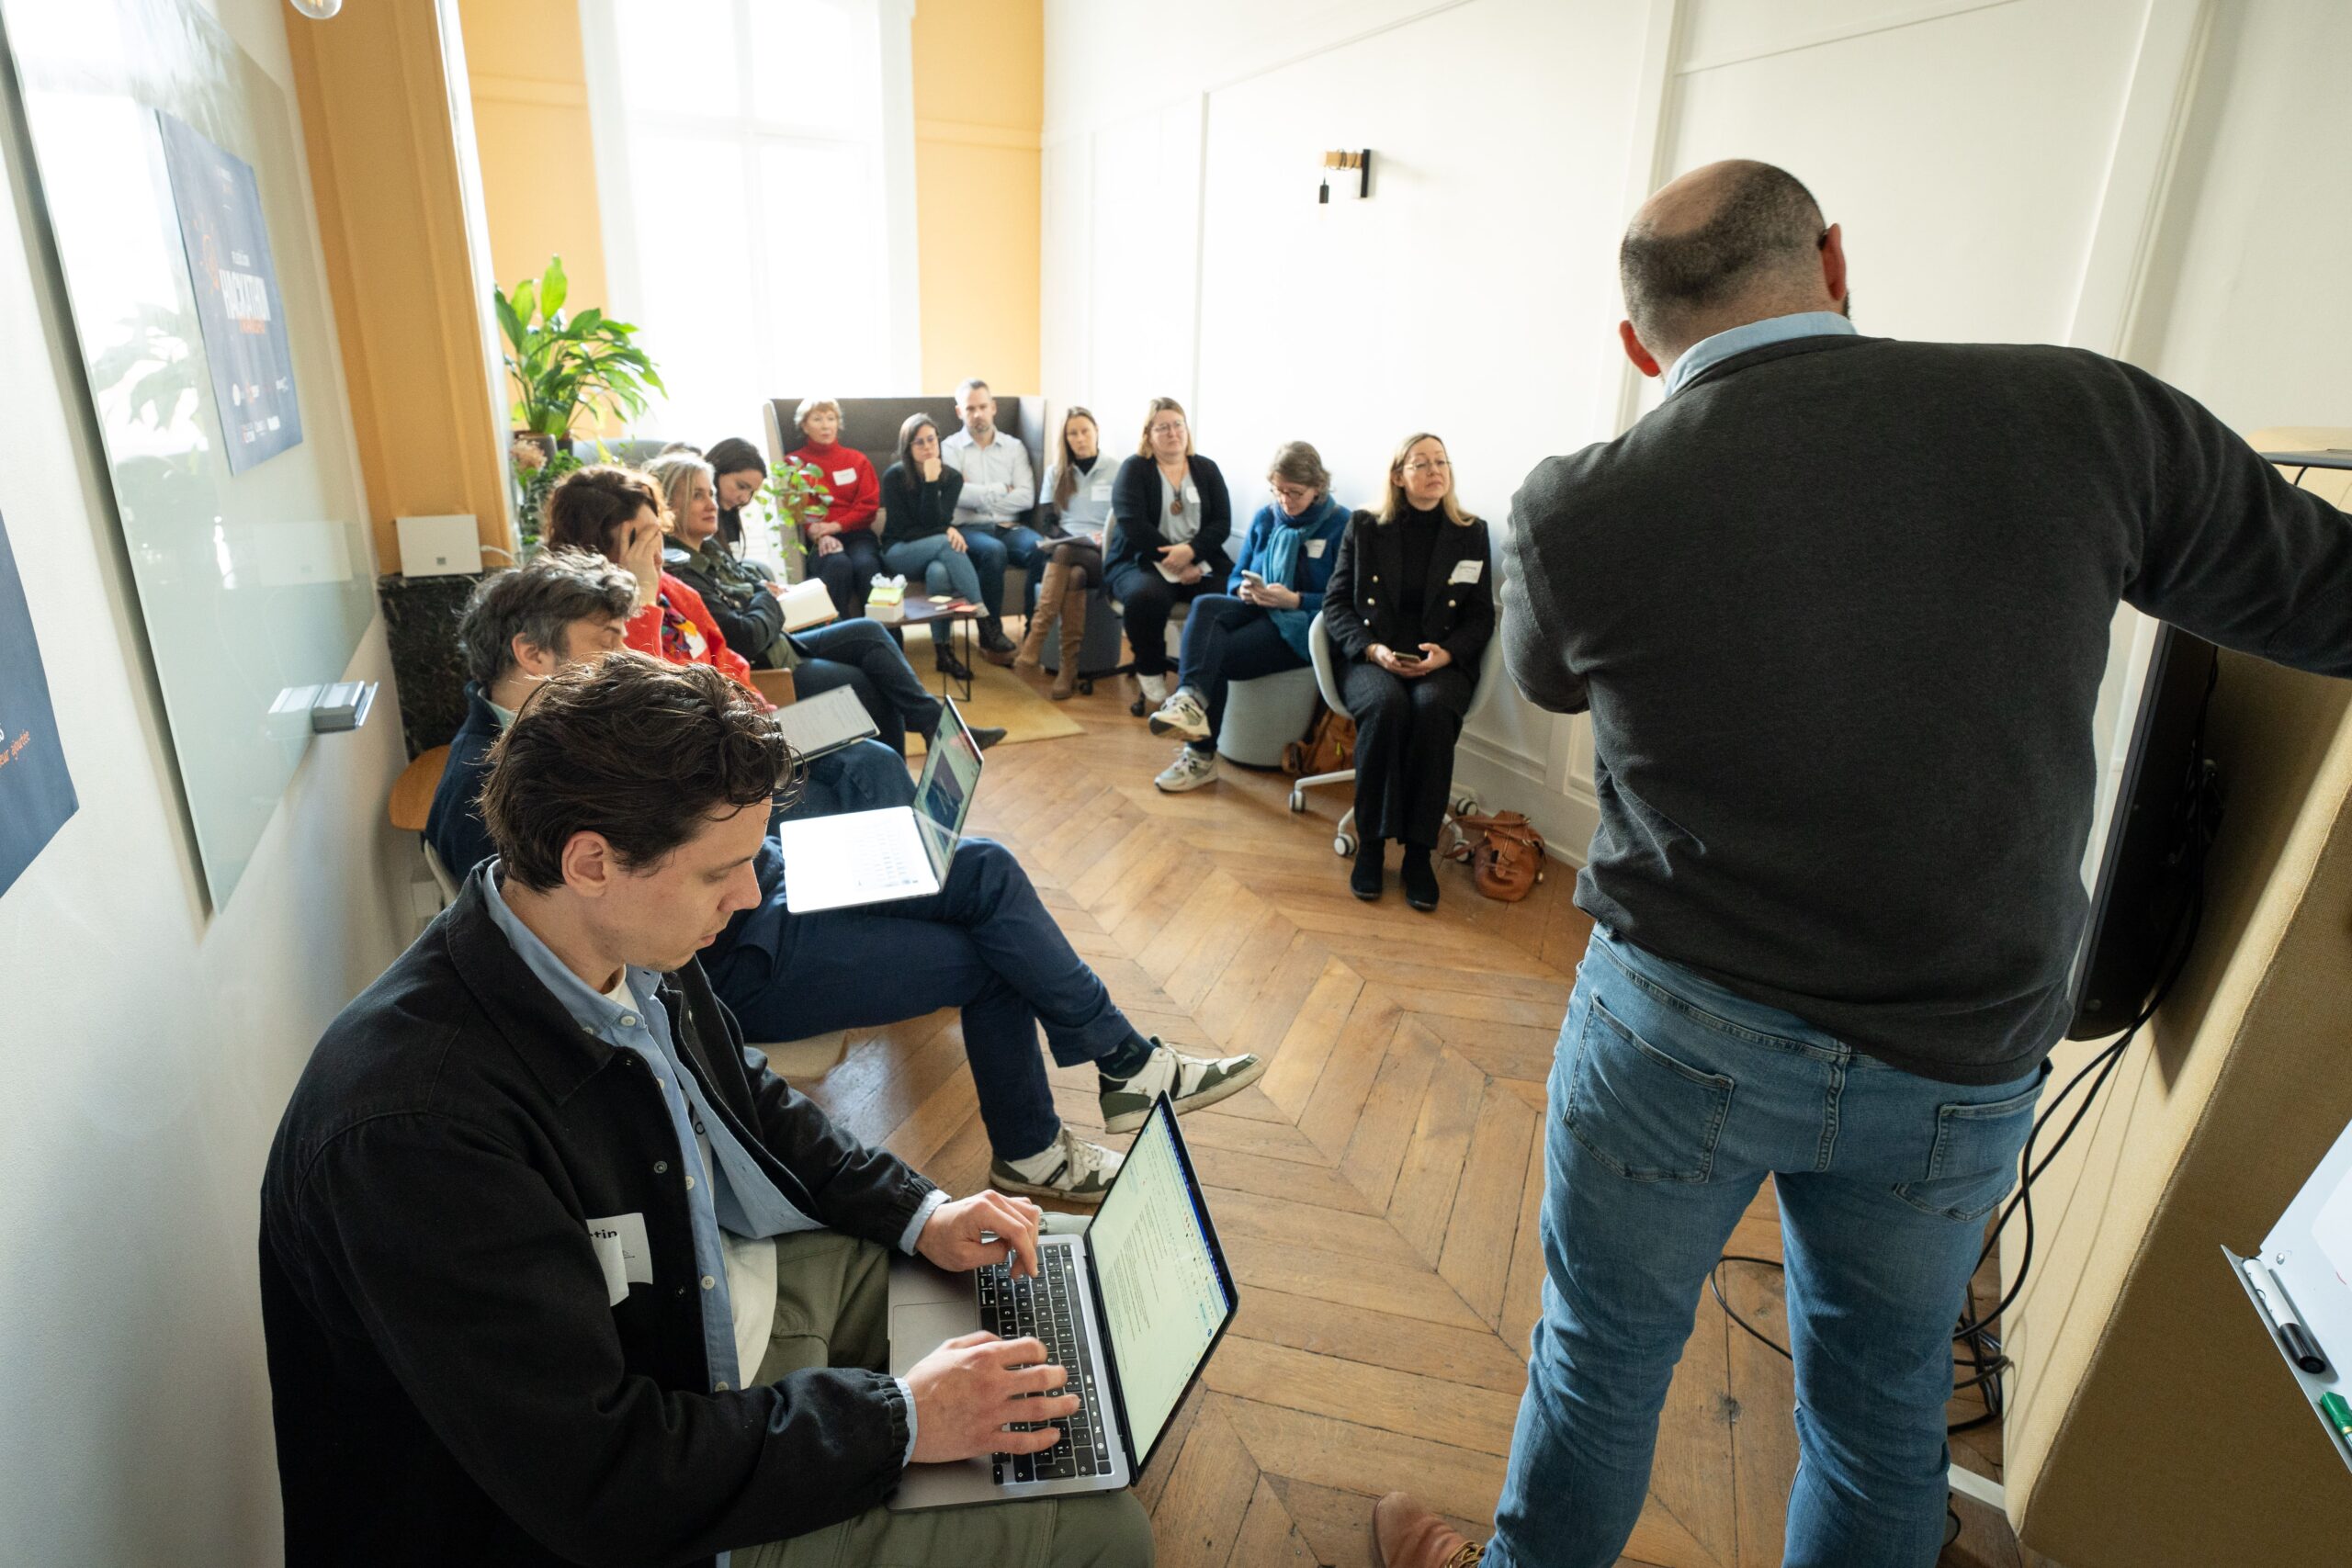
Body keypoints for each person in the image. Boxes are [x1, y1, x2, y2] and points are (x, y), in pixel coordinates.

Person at [1370, 161, 2352, 1568]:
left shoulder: (1579, 502)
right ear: (1835, 259)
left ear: (1642, 347)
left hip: (1675, 1038)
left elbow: (1548, 678)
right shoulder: (2082, 412)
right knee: (1884, 1416)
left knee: (1597, 1364)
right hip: (1956, 1063)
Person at [263, 654, 1159, 1566]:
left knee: (978, 1290)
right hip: (610, 1508)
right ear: (592, 861)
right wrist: (902, 1419)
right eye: (720, 872)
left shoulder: (617, 940)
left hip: (694, 1328)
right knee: (1103, 1533)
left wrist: (923, 1214)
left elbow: (753, 1100)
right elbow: (602, 1482)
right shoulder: (418, 1133)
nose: (750, 895)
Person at [425, 549, 915, 882]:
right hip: (716, 927)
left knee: (871, 771)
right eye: (608, 641)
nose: (626, 655)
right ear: (532, 654)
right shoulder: (487, 788)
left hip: (721, 869)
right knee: (950, 873)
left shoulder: (551, 729)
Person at [648, 453, 999, 754]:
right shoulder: (682, 570)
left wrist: (760, 594)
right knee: (870, 682)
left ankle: (936, 726)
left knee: (869, 631)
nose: (712, 504)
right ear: (668, 504)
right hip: (768, 665)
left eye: (709, 493)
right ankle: (906, 776)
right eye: (697, 496)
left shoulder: (707, 548)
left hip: (782, 644)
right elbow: (746, 635)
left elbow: (749, 590)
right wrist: (765, 597)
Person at [1319, 434, 1494, 913]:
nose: (1436, 471)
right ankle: (1372, 847)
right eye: (1422, 463)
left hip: (1439, 660)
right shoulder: (1365, 526)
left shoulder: (1470, 531)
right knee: (1386, 705)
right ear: (1399, 475)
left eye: (1442, 462)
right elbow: (1334, 604)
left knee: (1434, 708)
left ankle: (1419, 853)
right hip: (1374, 657)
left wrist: (1447, 654)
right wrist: (1372, 650)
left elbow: (1481, 617)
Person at [1145, 440, 1350, 793]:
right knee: (1207, 604)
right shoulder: (1267, 518)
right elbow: (1237, 574)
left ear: (1318, 487)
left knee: (1215, 655)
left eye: (1295, 493)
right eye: (1278, 490)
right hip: (1259, 609)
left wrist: (1296, 599)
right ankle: (1189, 700)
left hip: (1302, 626)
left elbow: (1343, 601)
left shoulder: (1341, 525)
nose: (1285, 500)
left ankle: (1200, 757)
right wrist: (1242, 589)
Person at [1104, 397, 1233, 707]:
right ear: (1148, 434)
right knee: (1145, 597)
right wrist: (1173, 561)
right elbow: (1133, 525)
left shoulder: (1206, 469)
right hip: (1142, 560)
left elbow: (1222, 522)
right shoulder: (1134, 469)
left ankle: (1203, 679)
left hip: (1199, 557)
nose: (1173, 433)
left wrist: (1191, 552)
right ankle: (1150, 670)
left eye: (1178, 425)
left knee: (1232, 592)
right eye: (1163, 427)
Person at [1014, 406, 1114, 699]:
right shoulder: (1056, 473)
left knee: (1065, 553)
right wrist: (1078, 540)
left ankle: (1035, 637)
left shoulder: (1117, 469)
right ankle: (1068, 669)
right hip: (1072, 551)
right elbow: (1048, 523)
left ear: (1096, 431)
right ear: (1066, 439)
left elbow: (1125, 524)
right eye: (1073, 433)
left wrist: (1099, 538)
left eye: (1085, 431)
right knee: (1074, 575)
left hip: (1104, 552)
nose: (1080, 438)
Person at [880, 414, 988, 680]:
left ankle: (943, 652)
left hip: (932, 553)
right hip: (899, 552)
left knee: (939, 572)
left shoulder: (951, 478)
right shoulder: (894, 477)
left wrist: (933, 487)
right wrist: (943, 526)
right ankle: (983, 616)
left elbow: (935, 521)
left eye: (931, 440)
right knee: (945, 541)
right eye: (919, 443)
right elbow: (907, 530)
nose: (928, 447)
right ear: (908, 447)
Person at [939, 378, 1039, 658]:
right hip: (968, 528)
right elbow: (955, 497)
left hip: (1010, 525)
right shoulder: (949, 448)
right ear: (960, 412)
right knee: (993, 552)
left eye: (983, 406)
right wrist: (999, 490)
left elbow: (1026, 497)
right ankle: (991, 631)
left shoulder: (1014, 447)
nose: (978, 414)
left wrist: (976, 496)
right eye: (970, 408)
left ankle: (1035, 632)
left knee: (1040, 549)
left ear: (993, 408)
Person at [777, 409, 887, 617]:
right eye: (817, 419)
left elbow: (868, 506)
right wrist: (819, 534)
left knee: (867, 565)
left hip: (858, 534)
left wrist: (836, 526)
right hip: (819, 538)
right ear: (804, 425)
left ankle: (885, 637)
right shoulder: (793, 463)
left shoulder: (857, 460)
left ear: (838, 423)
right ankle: (838, 638)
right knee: (838, 565)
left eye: (831, 418)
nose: (825, 425)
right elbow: (797, 508)